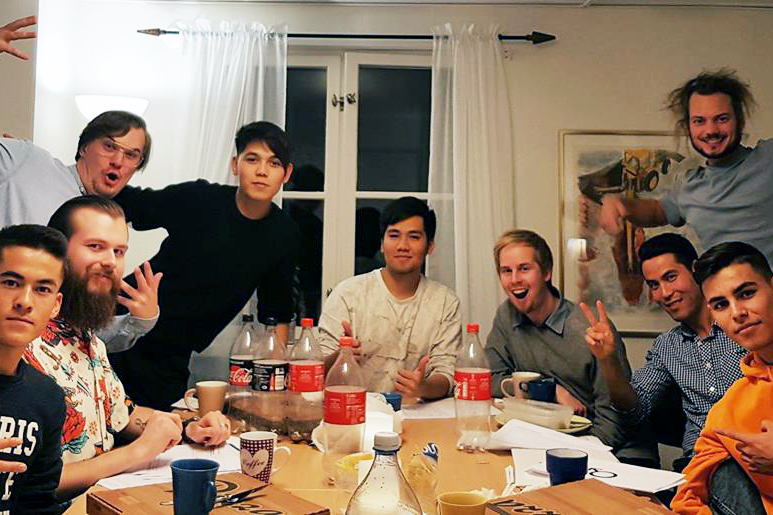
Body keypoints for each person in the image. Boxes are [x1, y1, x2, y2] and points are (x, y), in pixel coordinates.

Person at [23, 196, 230, 501]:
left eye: (118, 251)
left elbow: (124, 415)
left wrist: (189, 426)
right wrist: (139, 451)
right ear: (57, 252)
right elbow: (33, 483)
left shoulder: (90, 341)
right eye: (95, 246)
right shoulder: (19, 342)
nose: (110, 261)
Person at [109, 121, 301, 410]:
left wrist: (276, 388)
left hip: (173, 352)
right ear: (236, 165)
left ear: (285, 174)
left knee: (161, 434)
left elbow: (277, 313)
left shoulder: (284, 234)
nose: (262, 171)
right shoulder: (200, 199)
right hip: (121, 322)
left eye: (273, 163)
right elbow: (134, 205)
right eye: (252, 159)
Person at [485, 229, 654, 463]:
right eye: (506, 271)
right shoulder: (506, 316)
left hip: (618, 450)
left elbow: (615, 421)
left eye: (524, 268)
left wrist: (569, 457)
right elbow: (491, 380)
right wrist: (549, 389)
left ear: (546, 272)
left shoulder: (587, 327)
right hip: (559, 442)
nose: (514, 280)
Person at [581, 233, 746, 471]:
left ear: (695, 270)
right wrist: (609, 360)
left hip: (749, 462)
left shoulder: (743, 325)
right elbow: (634, 409)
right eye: (654, 285)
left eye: (670, 277)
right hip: (695, 466)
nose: (664, 293)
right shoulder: (667, 347)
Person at [598, 69, 773, 263]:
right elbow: (657, 211)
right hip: (722, 291)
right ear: (688, 126)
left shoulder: (768, 158)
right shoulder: (689, 187)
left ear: (739, 120)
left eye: (722, 119)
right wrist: (618, 203)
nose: (711, 130)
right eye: (699, 121)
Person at [318, 197, 461, 400]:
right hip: (352, 410)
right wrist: (340, 356)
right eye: (394, 236)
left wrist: (423, 387)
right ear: (382, 244)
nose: (403, 245)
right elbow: (316, 372)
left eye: (414, 237)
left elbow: (446, 373)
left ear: (430, 246)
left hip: (416, 414)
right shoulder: (348, 293)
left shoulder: (445, 302)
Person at [671, 241, 773, 514]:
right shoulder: (730, 407)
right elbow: (687, 498)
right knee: (723, 471)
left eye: (747, 293)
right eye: (720, 304)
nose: (737, 313)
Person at [0, 224, 67, 514]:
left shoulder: (47, 398)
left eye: (42, 289)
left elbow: (38, 504)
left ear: (55, 305)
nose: (24, 302)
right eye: (10, 283)